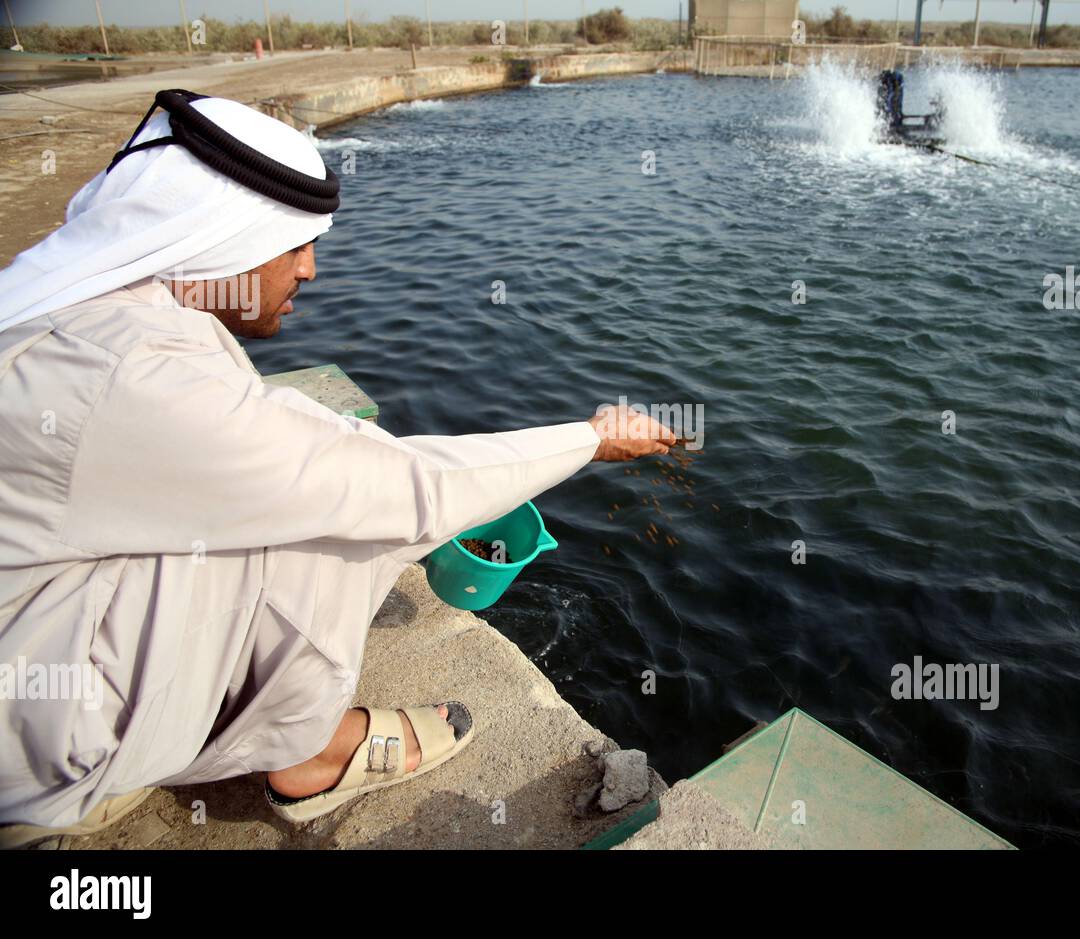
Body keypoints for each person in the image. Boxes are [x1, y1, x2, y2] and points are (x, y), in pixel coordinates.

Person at [0, 90, 674, 844]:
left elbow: (252, 443)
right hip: (25, 724)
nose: (311, 271)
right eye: (295, 245)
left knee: (320, 484)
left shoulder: (100, 307)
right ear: (222, 239)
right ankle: (301, 752)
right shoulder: (126, 373)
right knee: (354, 519)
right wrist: (592, 438)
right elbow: (405, 488)